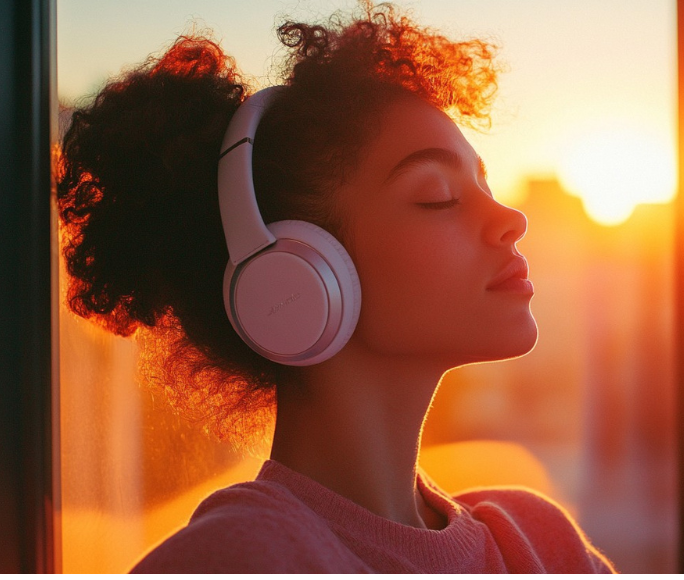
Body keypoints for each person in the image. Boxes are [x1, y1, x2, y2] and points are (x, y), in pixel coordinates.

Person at [57, 2, 616, 573]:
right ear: (297, 274)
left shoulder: (536, 540)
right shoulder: (239, 560)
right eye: (438, 195)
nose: (510, 219)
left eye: (485, 185)